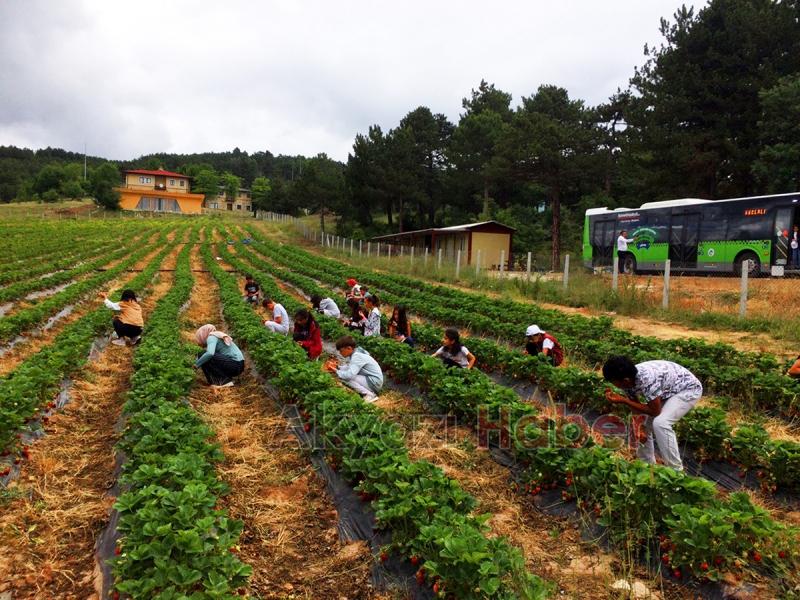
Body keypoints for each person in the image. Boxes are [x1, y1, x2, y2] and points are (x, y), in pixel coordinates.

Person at [602, 356, 702, 471]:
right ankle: (646, 466)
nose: (613, 385)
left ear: (625, 380)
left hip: (688, 389)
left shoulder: (646, 379)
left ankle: (676, 471)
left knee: (660, 423)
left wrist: (624, 401)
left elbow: (655, 411)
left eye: (613, 381)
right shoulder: (627, 379)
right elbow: (634, 404)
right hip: (667, 391)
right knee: (642, 425)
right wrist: (639, 426)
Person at [324, 335, 384, 401]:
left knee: (346, 378)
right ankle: (368, 392)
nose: (340, 353)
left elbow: (349, 375)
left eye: (341, 351)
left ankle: (370, 395)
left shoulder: (357, 356)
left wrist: (336, 371)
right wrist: (337, 367)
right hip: (373, 380)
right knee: (345, 374)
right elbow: (350, 367)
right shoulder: (357, 353)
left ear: (349, 348)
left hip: (374, 382)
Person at [194, 324, 245, 388]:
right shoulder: (216, 336)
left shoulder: (211, 337)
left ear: (203, 334)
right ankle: (218, 381)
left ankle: (225, 382)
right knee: (205, 356)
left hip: (235, 365)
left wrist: (196, 365)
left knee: (204, 354)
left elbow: (210, 353)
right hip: (238, 365)